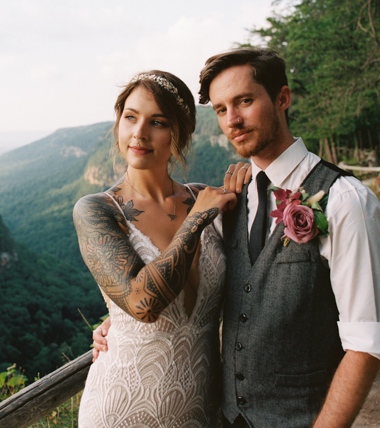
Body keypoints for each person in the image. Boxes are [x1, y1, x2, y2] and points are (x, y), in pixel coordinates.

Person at [95, 49, 380, 428]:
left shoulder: (345, 200)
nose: (232, 120)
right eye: (220, 109)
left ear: (282, 99)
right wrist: (115, 323)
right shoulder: (232, 199)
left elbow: (365, 344)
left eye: (245, 102)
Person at [73, 70, 249, 428]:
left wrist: (250, 178)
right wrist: (195, 220)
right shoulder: (98, 209)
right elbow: (142, 304)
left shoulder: (206, 198)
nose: (139, 133)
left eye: (157, 122)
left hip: (200, 410)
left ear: (178, 133)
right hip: (120, 409)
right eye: (130, 117)